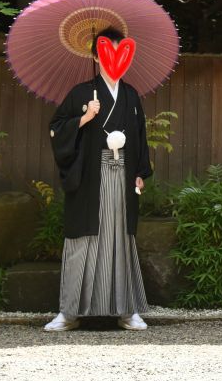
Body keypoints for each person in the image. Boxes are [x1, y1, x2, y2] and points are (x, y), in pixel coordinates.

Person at [44, 26, 153, 332]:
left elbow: (141, 137)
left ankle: (126, 311)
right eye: (107, 52)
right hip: (90, 175)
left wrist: (140, 171)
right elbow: (56, 128)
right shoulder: (82, 93)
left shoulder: (130, 95)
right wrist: (84, 118)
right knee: (83, 239)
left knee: (121, 238)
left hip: (122, 175)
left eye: (120, 52)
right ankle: (69, 312)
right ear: (96, 55)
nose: (113, 59)